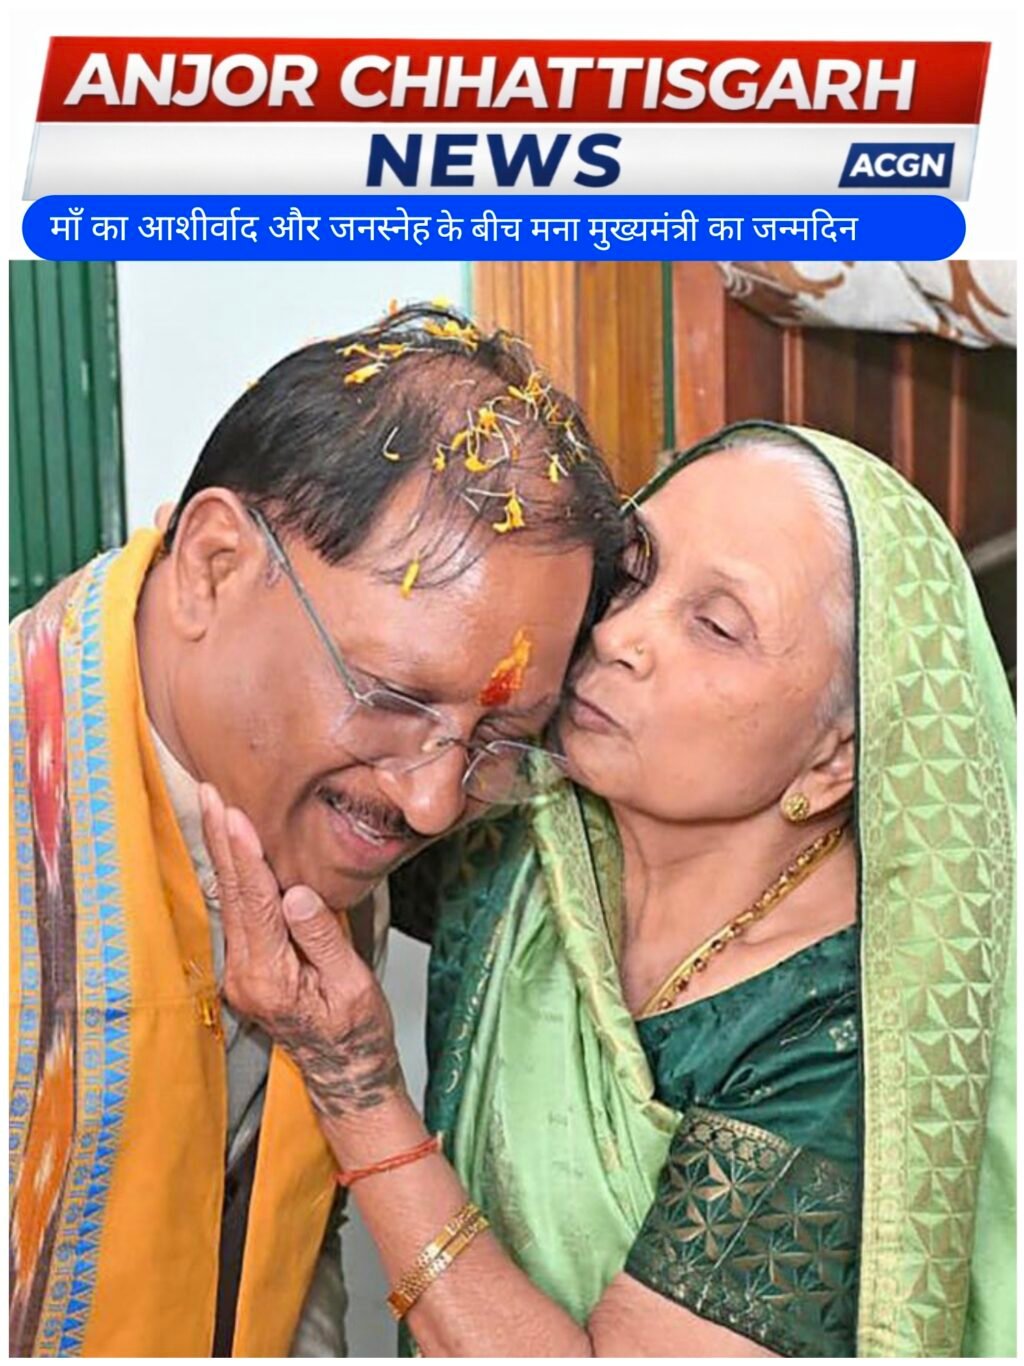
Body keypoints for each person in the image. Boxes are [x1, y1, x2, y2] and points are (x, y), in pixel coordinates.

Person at [201, 421, 1015, 1357]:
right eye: (631, 574)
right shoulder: (523, 826)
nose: (619, 635)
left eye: (716, 626)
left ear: (836, 759)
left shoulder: (842, 1035)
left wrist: (357, 1088)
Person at [7, 305, 639, 1356]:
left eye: (500, 740)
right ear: (214, 566)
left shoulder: (316, 797)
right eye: (392, 696)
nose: (432, 805)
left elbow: (272, 1239)